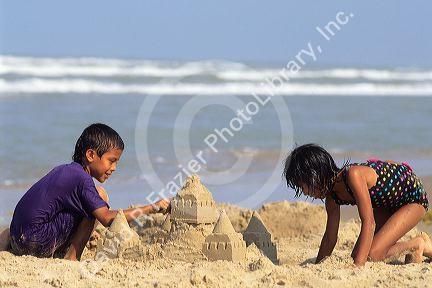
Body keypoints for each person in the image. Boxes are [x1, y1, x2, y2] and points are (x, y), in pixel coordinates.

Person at [4, 123, 170, 261]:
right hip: (36, 242)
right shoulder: (82, 179)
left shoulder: (65, 170)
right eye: (111, 161)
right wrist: (151, 208)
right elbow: (106, 218)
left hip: (16, 237)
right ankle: (72, 258)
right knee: (99, 199)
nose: (114, 168)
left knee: (90, 199)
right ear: (91, 155)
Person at [283, 143, 432, 266]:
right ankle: (427, 249)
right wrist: (318, 265)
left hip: (412, 198)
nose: (304, 192)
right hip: (386, 203)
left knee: (372, 254)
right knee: (358, 254)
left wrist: (357, 268)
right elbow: (330, 237)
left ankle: (417, 244)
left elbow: (369, 222)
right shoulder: (332, 198)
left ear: (314, 175)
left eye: (303, 186)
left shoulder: (353, 175)